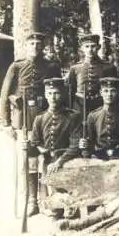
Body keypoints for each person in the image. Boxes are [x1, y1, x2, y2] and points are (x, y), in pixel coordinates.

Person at [23, 78, 82, 216]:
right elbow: (36, 143)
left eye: (56, 93)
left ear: (62, 94)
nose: (53, 97)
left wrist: (60, 161)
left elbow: (75, 145)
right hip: (48, 161)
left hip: (67, 161)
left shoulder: (73, 117)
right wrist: (29, 146)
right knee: (55, 209)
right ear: (45, 95)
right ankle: (37, 201)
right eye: (49, 93)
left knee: (65, 206)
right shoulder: (40, 118)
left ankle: (66, 203)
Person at [0, 32, 62, 130]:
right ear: (26, 46)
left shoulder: (51, 66)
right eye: (31, 44)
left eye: (38, 44)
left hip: (43, 113)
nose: (35, 47)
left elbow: (60, 91)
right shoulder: (16, 66)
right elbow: (5, 93)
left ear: (42, 46)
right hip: (20, 114)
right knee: (22, 143)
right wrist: (6, 122)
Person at [79, 77, 119, 160]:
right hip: (100, 158)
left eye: (113, 91)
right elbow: (90, 142)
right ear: (101, 93)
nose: (109, 94)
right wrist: (84, 145)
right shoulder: (93, 116)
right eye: (106, 91)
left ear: (118, 93)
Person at [67, 34, 118, 113]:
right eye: (87, 46)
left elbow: (116, 90)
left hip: (100, 106)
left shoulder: (108, 67)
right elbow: (70, 92)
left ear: (99, 47)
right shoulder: (75, 68)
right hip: (79, 107)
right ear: (82, 49)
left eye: (93, 46)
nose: (90, 49)